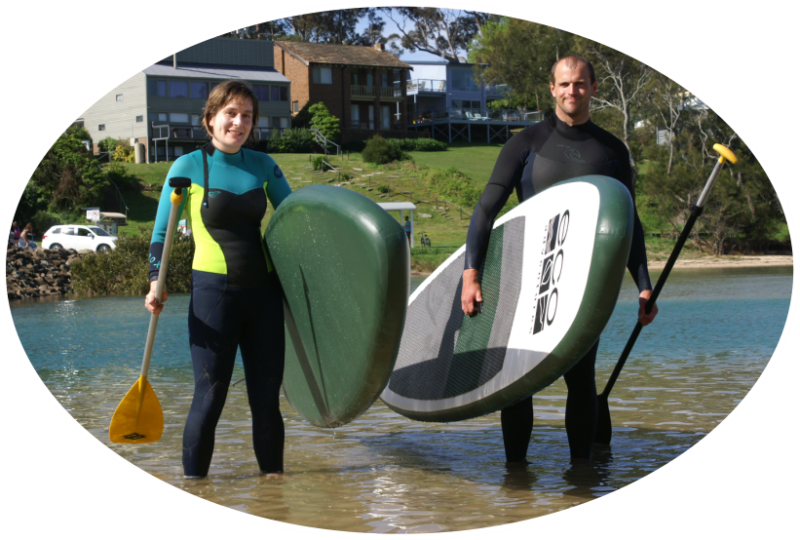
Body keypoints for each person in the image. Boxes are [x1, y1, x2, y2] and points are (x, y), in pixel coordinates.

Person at [461, 55, 658, 463]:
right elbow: (485, 210)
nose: (573, 91)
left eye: (581, 84)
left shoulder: (612, 151)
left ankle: (581, 479)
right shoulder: (526, 143)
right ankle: (516, 472)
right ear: (552, 89)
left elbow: (630, 225)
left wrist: (643, 284)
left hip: (583, 285)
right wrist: (471, 274)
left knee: (582, 383)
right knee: (517, 383)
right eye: (565, 84)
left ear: (594, 88)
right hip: (524, 279)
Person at [145, 80, 292, 479]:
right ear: (210, 119)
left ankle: (274, 497)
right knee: (209, 398)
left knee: (266, 402)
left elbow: (295, 220)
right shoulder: (188, 166)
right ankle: (196, 489)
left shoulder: (263, 165)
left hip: (263, 297)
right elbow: (161, 235)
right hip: (214, 296)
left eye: (247, 115)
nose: (239, 122)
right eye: (230, 113)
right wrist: (155, 280)